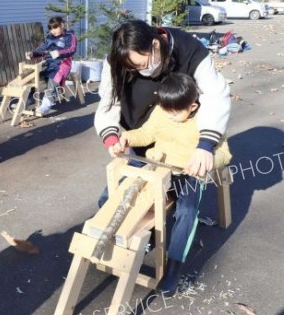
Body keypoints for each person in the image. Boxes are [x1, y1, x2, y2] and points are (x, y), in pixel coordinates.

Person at [112, 73, 232, 296]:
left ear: (193, 106)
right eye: (165, 110)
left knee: (187, 212)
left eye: (175, 113)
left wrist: (206, 162)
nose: (169, 116)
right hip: (161, 167)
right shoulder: (163, 111)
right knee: (127, 194)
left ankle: (175, 264)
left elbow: (225, 153)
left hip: (191, 174)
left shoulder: (210, 118)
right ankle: (135, 239)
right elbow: (147, 133)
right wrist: (128, 137)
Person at [95, 19, 231, 207]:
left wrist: (205, 145)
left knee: (177, 200)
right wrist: (111, 136)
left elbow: (216, 95)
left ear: (156, 44)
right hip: (141, 140)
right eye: (132, 68)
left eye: (142, 65)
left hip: (185, 149)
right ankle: (147, 233)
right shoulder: (118, 60)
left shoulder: (190, 50)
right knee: (111, 201)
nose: (139, 72)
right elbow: (108, 100)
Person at [25, 16, 77, 115]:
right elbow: (42, 49)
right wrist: (33, 54)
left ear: (62, 25)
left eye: (55, 27)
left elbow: (72, 49)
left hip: (63, 63)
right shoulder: (49, 37)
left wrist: (59, 53)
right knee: (33, 76)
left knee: (54, 76)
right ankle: (27, 99)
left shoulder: (70, 36)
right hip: (49, 63)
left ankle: (46, 103)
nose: (53, 30)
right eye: (51, 28)